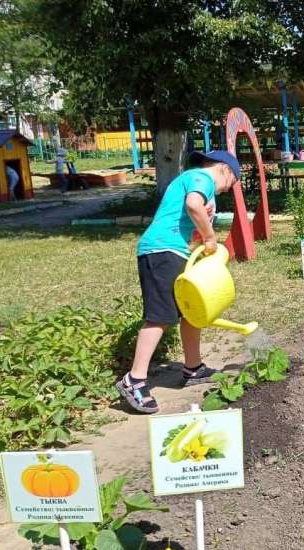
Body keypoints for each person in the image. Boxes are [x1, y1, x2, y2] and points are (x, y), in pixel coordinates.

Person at [116, 150, 241, 414]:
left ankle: (193, 367)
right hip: (162, 251)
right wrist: (210, 237)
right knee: (160, 316)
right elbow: (193, 205)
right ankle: (134, 379)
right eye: (229, 186)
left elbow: (189, 213)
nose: (223, 191)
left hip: (172, 250)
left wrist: (204, 224)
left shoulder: (193, 179)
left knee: (190, 312)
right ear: (225, 170)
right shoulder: (201, 177)